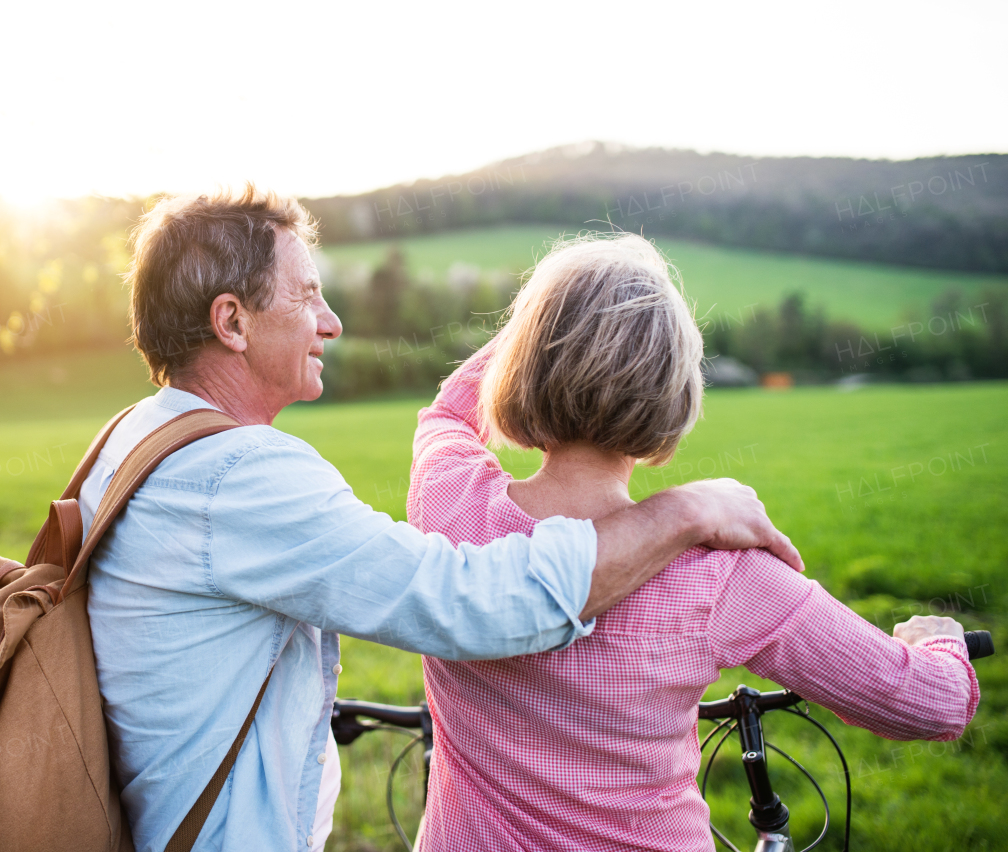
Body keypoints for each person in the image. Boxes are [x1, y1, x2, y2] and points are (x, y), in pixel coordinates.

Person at [80, 188, 801, 852]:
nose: (330, 322)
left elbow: (448, 422)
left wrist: (563, 319)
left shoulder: (137, 438)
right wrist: (684, 509)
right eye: (306, 297)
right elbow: (474, 604)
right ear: (232, 321)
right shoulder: (238, 478)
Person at [407, 233, 980, 851]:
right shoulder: (723, 578)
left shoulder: (451, 505)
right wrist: (939, 643)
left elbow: (446, 414)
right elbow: (932, 704)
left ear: (520, 364)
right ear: (674, 398)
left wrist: (550, 324)